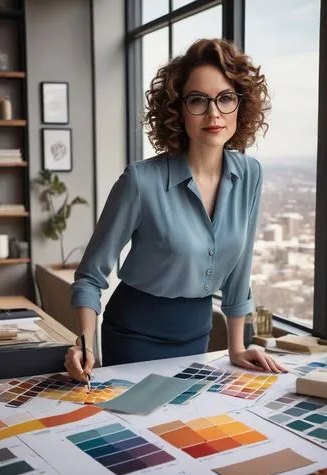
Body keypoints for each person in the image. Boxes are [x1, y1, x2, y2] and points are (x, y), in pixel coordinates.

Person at [65, 38, 287, 383]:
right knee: (134, 432)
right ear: (178, 109)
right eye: (198, 100)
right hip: (134, 335)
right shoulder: (141, 181)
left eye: (226, 98)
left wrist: (237, 348)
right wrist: (85, 343)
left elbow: (240, 271)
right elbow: (91, 276)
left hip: (197, 334)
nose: (214, 113)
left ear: (240, 106)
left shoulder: (250, 175)